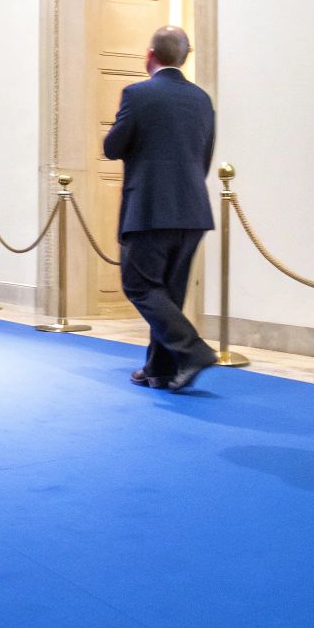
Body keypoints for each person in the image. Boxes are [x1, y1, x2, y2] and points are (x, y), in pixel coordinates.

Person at [103, 25, 220, 392]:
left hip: (150, 209)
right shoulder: (202, 99)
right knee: (168, 293)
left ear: (149, 55)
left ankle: (193, 350)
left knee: (139, 286)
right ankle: (160, 369)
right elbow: (204, 156)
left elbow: (112, 146)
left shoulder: (137, 95)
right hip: (192, 209)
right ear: (184, 57)